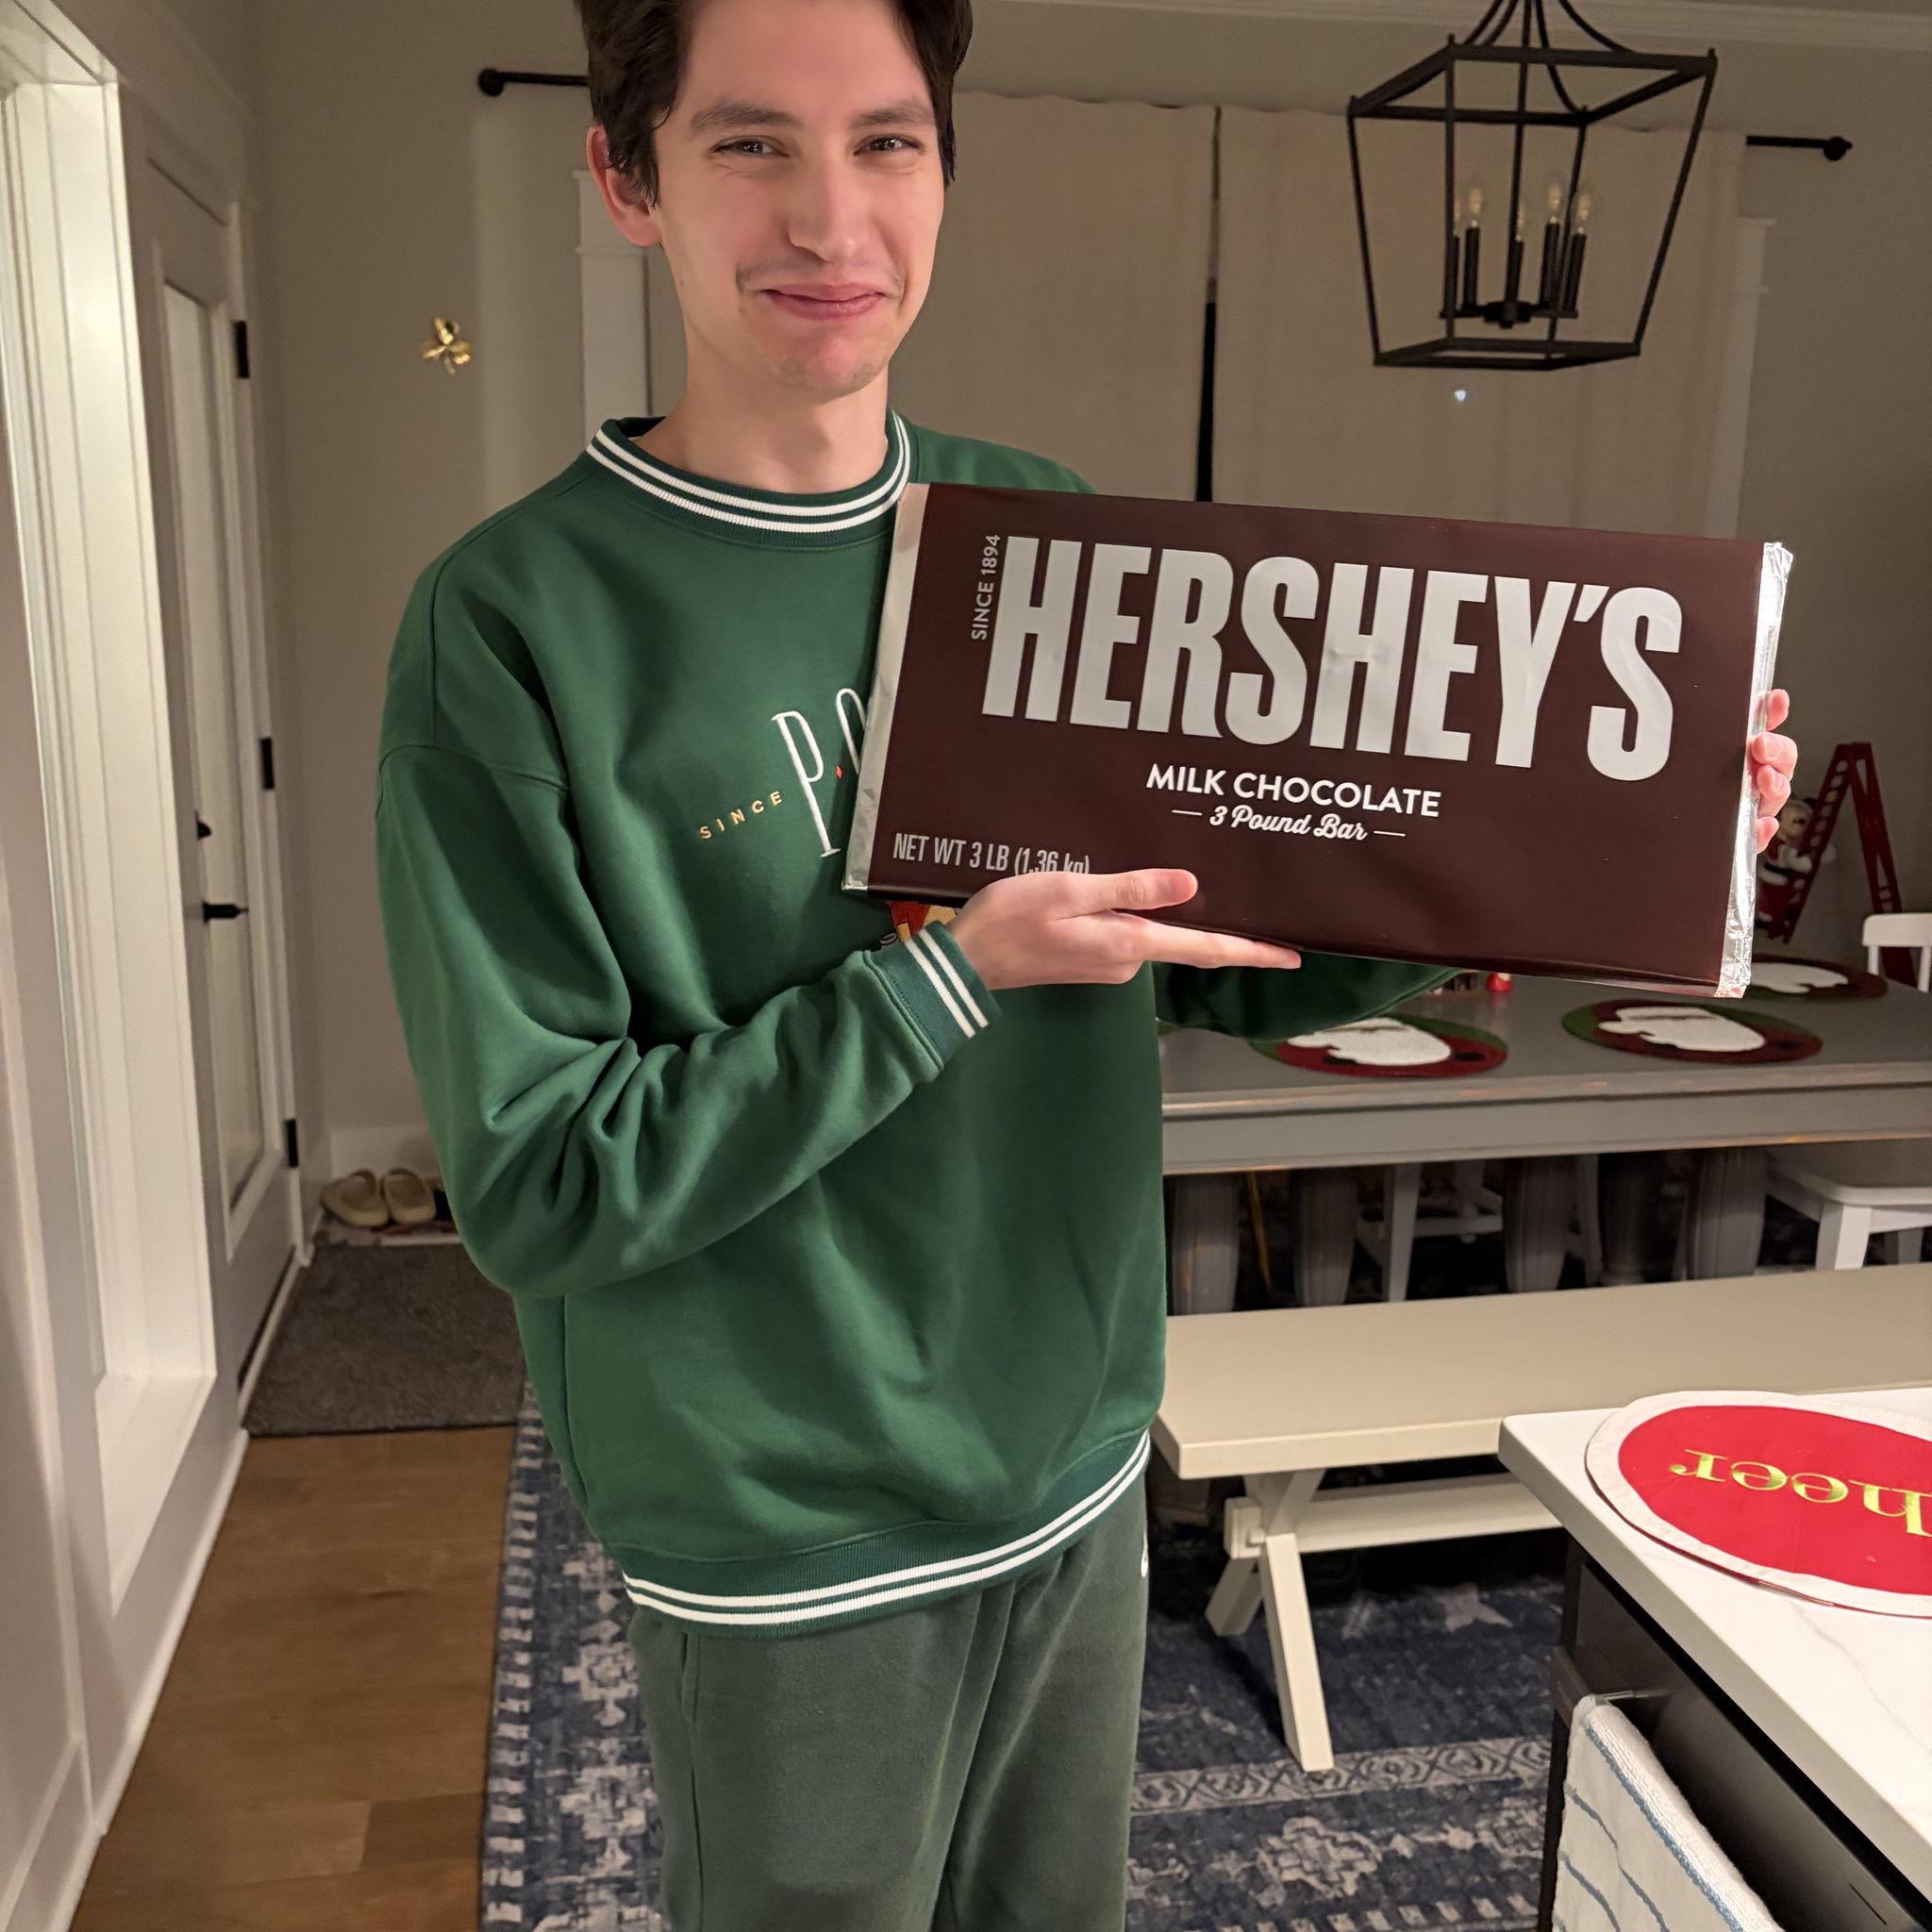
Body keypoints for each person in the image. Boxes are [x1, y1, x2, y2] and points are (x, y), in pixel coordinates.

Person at [372, 0, 1799, 1922]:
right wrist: (945, 974)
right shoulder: (512, 621)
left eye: (886, 142)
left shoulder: (1036, 529)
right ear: (627, 180)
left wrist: (1605, 851)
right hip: (782, 1517)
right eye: (749, 144)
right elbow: (546, 1180)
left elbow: (1217, 960)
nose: (831, 219)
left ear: (944, 171)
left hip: (1070, 1454)